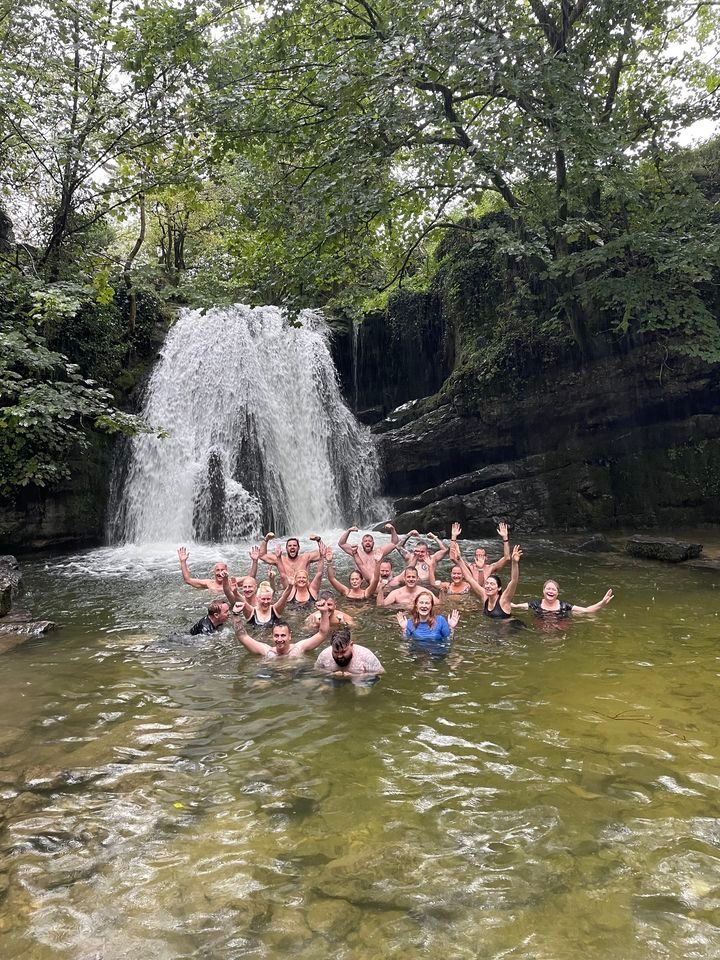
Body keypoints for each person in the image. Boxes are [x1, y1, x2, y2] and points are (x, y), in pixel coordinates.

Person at [232, 600, 331, 659]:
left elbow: (322, 634)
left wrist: (324, 612)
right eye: (276, 635)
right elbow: (242, 636)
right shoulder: (267, 652)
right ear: (272, 637)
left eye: (283, 635)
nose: (279, 639)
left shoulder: (299, 648)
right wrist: (236, 615)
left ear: (290, 636)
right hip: (272, 675)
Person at [454, 543, 523, 619]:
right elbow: (469, 578)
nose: (488, 586)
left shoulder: (504, 599)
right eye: (487, 583)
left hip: (508, 627)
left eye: (492, 584)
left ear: (499, 588)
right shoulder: (485, 596)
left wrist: (514, 562)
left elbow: (514, 580)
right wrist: (459, 559)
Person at [338, 523, 406, 582]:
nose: (368, 543)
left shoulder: (379, 552)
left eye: (370, 541)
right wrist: (349, 531)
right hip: (362, 582)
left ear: (373, 543)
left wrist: (392, 529)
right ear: (362, 543)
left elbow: (394, 543)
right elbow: (341, 544)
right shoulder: (356, 552)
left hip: (377, 581)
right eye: (365, 541)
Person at [512, 581, 614, 619]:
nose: (550, 591)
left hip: (560, 631)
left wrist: (602, 603)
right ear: (543, 591)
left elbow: (587, 610)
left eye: (553, 589)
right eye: (548, 588)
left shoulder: (564, 606)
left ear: (557, 593)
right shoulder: (535, 604)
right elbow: (515, 606)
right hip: (541, 630)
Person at [315, 626, 384, 677]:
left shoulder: (365, 655)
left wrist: (354, 676)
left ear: (351, 645)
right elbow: (317, 670)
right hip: (334, 679)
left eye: (343, 652)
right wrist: (331, 674)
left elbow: (380, 672)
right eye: (335, 652)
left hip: (360, 680)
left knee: (361, 693)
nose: (339, 656)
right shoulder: (324, 655)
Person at [257, 531, 322, 580]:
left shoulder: (306, 558)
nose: (292, 547)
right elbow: (262, 556)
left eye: (294, 545)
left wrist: (318, 540)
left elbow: (323, 553)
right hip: (287, 590)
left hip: (303, 589)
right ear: (286, 549)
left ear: (298, 548)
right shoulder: (280, 559)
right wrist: (266, 540)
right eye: (289, 546)